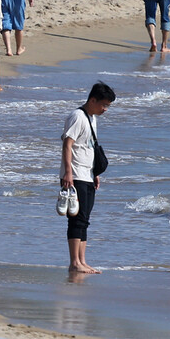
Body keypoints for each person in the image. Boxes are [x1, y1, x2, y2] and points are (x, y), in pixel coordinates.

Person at [60, 82, 115, 274]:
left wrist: (95, 174)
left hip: (87, 174)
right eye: (103, 105)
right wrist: (68, 173)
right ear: (92, 100)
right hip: (75, 175)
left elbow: (89, 147)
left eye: (107, 105)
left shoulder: (92, 118)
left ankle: (82, 261)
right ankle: (74, 262)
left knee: (85, 219)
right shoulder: (78, 117)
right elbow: (68, 144)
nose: (105, 109)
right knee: (76, 219)